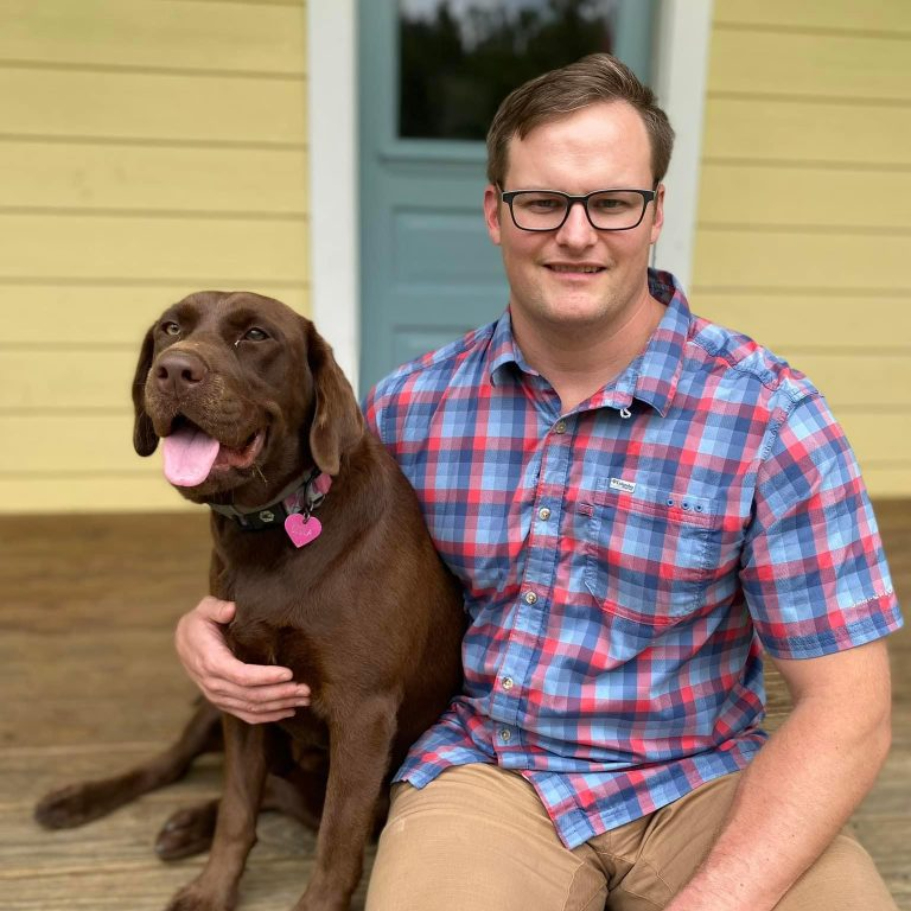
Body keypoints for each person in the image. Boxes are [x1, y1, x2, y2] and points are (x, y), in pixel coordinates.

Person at [174, 54, 903, 910]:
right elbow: (295, 546)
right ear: (495, 211)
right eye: (542, 200)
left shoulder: (771, 418)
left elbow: (848, 711)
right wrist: (206, 633)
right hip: (486, 774)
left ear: (655, 212)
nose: (576, 233)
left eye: (612, 201)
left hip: (708, 783)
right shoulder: (409, 408)